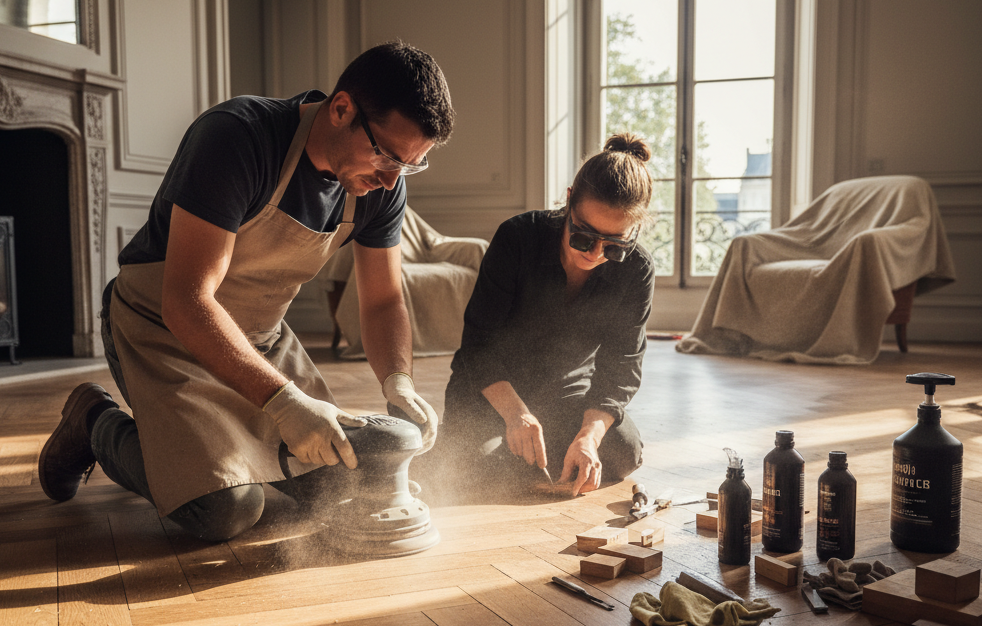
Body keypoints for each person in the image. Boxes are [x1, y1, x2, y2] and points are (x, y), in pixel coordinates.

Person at [38, 41, 454, 541]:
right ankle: (96, 423)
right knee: (224, 509)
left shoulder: (378, 187)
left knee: (340, 483)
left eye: (410, 166)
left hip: (260, 338)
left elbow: (385, 300)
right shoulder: (238, 137)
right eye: (388, 156)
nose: (391, 182)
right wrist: (284, 402)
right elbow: (187, 301)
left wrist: (398, 383)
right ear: (341, 109)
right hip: (160, 330)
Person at [440, 134, 654, 497]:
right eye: (584, 236)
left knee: (625, 451)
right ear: (569, 200)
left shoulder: (637, 269)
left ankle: (542, 458)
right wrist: (516, 416)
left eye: (614, 245)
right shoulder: (517, 238)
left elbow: (622, 367)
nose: (595, 254)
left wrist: (589, 436)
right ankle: (498, 454)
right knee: (468, 462)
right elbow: (477, 345)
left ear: (633, 230)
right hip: (492, 390)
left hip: (567, 395)